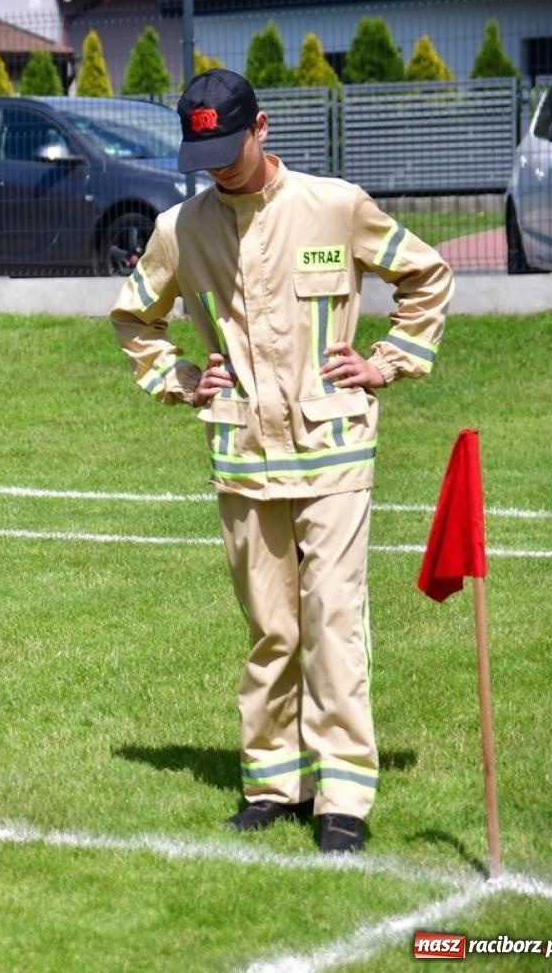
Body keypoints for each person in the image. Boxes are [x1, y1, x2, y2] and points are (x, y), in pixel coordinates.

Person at [109, 70, 454, 853]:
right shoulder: (180, 228)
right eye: (205, 153)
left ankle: (342, 799)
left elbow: (426, 274)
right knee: (271, 628)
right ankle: (273, 785)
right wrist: (184, 380)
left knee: (332, 619)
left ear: (262, 127)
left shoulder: (336, 204)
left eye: (230, 148)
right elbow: (135, 315)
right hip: (242, 455)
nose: (220, 166)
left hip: (334, 450)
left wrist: (389, 359)